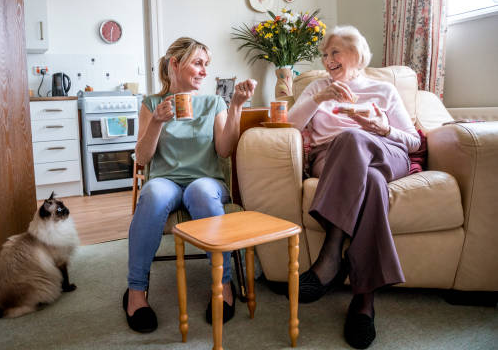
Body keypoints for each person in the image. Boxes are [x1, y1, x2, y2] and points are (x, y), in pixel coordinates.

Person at [288, 26, 420, 349]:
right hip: (332, 159)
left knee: (356, 137)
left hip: (385, 152)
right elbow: (288, 126)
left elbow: (414, 140)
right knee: (370, 181)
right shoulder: (317, 87)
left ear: (356, 55)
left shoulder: (383, 90)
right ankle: (364, 300)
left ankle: (330, 255)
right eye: (324, 54)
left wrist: (384, 128)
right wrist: (319, 98)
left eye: (335, 52)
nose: (327, 60)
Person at [124, 37, 256, 333]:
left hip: (206, 180)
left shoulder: (212, 103)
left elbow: (224, 150)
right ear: (175, 64)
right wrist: (157, 121)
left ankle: (223, 285)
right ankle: (135, 292)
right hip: (165, 180)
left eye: (206, 65)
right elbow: (143, 158)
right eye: (198, 63)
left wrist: (235, 106)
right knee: (154, 194)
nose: (204, 72)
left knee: (199, 191)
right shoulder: (152, 104)